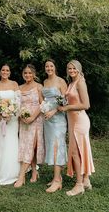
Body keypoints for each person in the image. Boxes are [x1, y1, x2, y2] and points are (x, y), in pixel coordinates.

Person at [58, 60, 95, 196]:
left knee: (74, 152)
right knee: (80, 150)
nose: (71, 70)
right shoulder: (72, 83)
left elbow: (86, 105)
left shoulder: (80, 82)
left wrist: (67, 107)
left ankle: (79, 185)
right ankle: (86, 180)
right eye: (69, 68)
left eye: (74, 68)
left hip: (80, 120)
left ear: (78, 69)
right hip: (72, 120)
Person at [14, 64, 44, 188]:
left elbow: (42, 104)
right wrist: (22, 116)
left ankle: (21, 176)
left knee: (32, 146)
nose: (28, 75)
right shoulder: (19, 88)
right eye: (25, 73)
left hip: (36, 119)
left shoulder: (39, 86)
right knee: (26, 146)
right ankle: (34, 172)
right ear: (23, 74)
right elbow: (17, 105)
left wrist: (32, 117)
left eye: (30, 73)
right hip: (23, 120)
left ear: (34, 74)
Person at [42, 59, 68, 193]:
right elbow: (45, 100)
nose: (49, 68)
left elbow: (65, 100)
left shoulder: (61, 81)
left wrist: (54, 110)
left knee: (58, 146)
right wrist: (44, 109)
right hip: (47, 120)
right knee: (52, 147)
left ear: (55, 67)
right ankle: (56, 177)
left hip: (58, 119)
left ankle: (57, 181)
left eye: (51, 66)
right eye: (47, 66)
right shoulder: (45, 82)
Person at [0, 64, 20, 185]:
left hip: (12, 120)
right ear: (0, 72)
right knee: (2, 144)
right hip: (0, 121)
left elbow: (18, 102)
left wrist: (11, 114)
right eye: (3, 70)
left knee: (12, 143)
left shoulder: (14, 84)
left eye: (7, 70)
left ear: (10, 72)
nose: (5, 72)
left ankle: (14, 172)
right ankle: (2, 172)